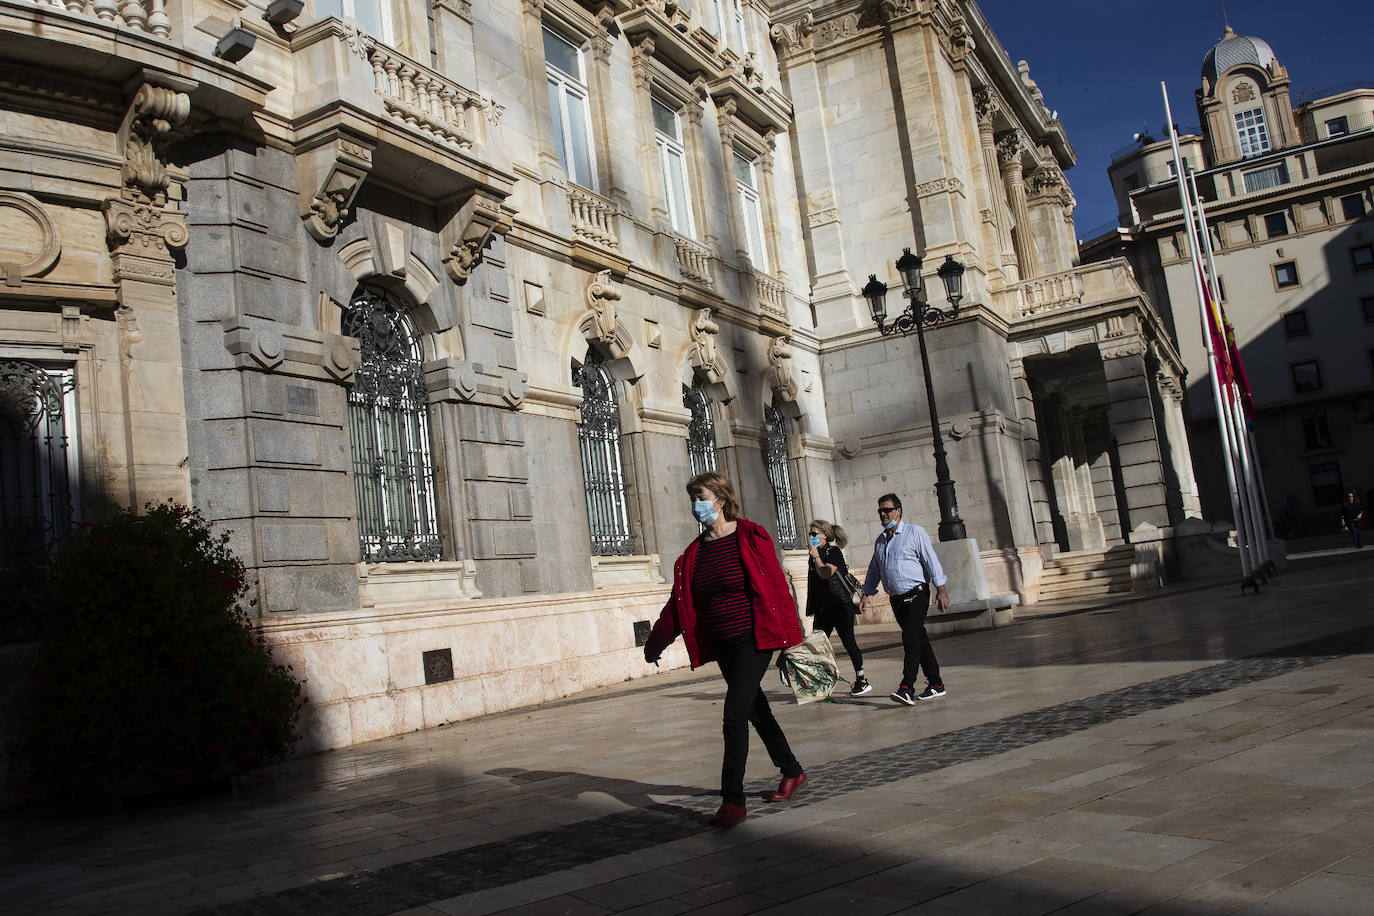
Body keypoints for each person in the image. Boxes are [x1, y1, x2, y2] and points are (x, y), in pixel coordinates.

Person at [643, 472, 807, 829]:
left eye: (699, 496)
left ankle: (733, 800)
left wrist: (792, 637)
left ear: (719, 498)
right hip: (723, 644)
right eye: (692, 499)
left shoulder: (750, 536)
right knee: (755, 710)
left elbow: (776, 587)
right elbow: (678, 605)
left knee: (734, 715)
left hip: (754, 640)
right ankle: (792, 771)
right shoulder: (693, 554)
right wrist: (655, 642)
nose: (695, 505)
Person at [859, 493, 950, 706]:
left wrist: (941, 590)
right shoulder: (881, 541)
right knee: (919, 638)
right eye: (880, 510)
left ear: (898, 512)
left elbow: (931, 561)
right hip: (897, 599)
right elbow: (875, 569)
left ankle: (907, 687)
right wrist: (866, 594)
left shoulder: (914, 533)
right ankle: (936, 684)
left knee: (910, 639)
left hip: (916, 594)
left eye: (887, 510)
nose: (883, 514)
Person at [805, 519, 870, 696]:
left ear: (825, 535)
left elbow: (826, 573)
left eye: (814, 534)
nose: (811, 537)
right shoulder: (813, 556)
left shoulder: (833, 552)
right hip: (823, 609)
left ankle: (862, 679)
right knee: (816, 646)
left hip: (840, 605)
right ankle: (821, 682)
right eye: (809, 534)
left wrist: (817, 557)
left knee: (848, 641)